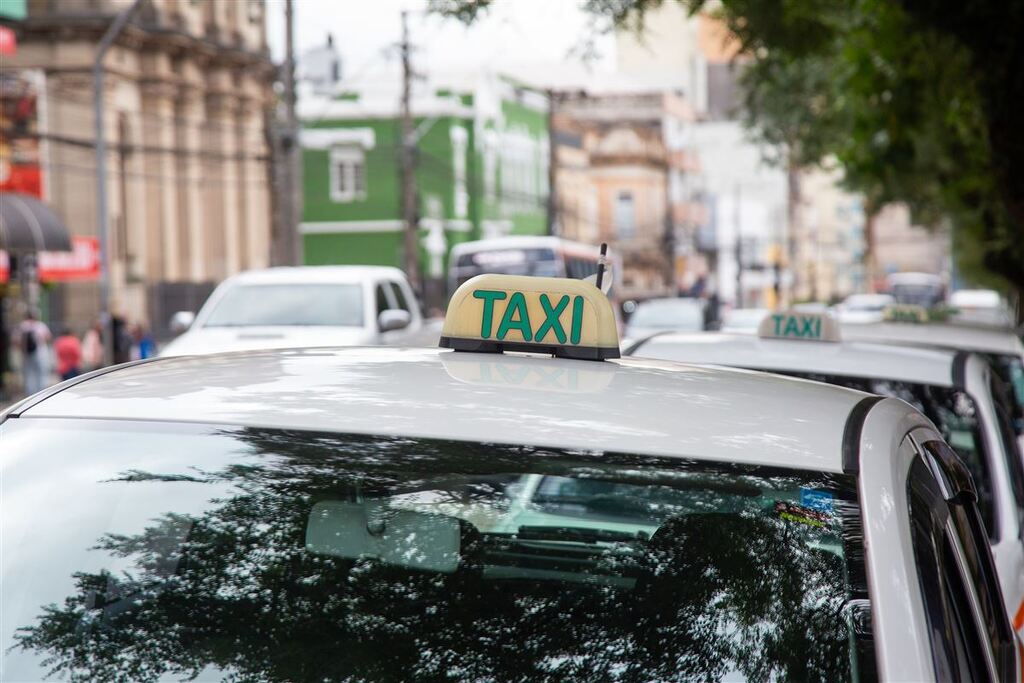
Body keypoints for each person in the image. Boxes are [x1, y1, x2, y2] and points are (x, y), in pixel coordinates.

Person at [15, 310, 51, 396]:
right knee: (41, 374)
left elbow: (16, 341)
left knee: (28, 375)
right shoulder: (40, 325)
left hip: (26, 354)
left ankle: (30, 394)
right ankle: (41, 393)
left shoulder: (22, 326)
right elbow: (48, 337)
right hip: (40, 353)